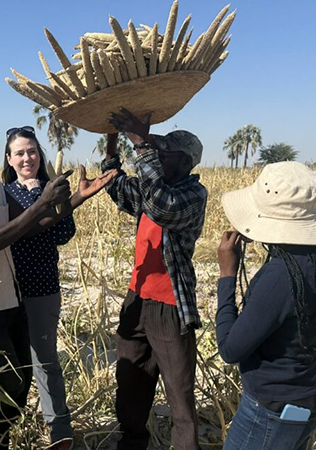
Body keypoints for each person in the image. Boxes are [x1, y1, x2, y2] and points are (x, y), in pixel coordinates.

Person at [0, 106, 116, 450]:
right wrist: (42, 202)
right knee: (6, 383)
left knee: (20, 383)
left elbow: (31, 229)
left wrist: (75, 199)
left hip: (10, 296)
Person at [215, 161, 316, 450]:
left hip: (271, 409)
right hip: (309, 392)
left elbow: (230, 349)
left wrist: (227, 275)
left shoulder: (281, 275)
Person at [103, 108, 208, 450]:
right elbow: (118, 186)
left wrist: (141, 145)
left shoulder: (191, 195)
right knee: (131, 385)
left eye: (166, 152)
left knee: (180, 398)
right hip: (137, 300)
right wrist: (112, 142)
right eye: (157, 151)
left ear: (187, 161)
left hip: (170, 306)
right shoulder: (151, 190)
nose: (159, 155)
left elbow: (162, 207)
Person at [2, 126, 76, 449]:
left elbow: (63, 234)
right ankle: (4, 429)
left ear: (39, 155)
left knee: (45, 360)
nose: (26, 158)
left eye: (31, 151)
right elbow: (6, 236)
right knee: (10, 363)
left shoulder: (53, 187)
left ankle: (60, 431)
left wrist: (60, 202)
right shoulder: (3, 193)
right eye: (19, 153)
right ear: (9, 159)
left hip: (43, 288)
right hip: (7, 291)